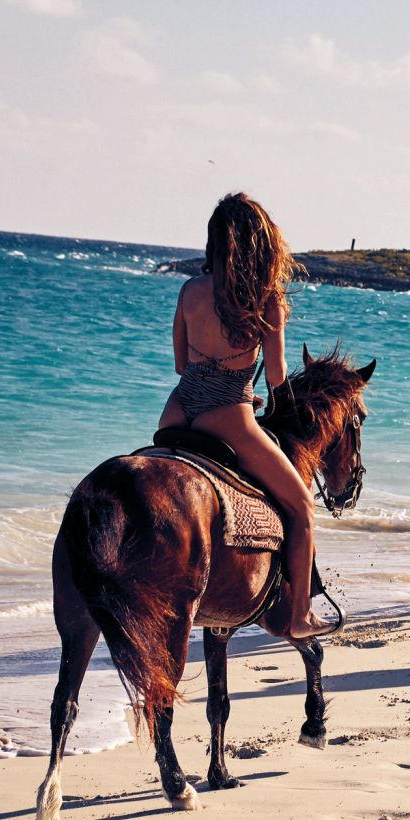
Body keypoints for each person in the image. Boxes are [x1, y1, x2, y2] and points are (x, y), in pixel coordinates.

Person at [156, 192, 328, 637]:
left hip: (175, 414)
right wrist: (253, 395)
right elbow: (276, 376)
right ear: (263, 244)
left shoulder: (190, 290)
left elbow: (181, 365)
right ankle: (300, 615)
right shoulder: (267, 301)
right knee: (302, 507)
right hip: (228, 417)